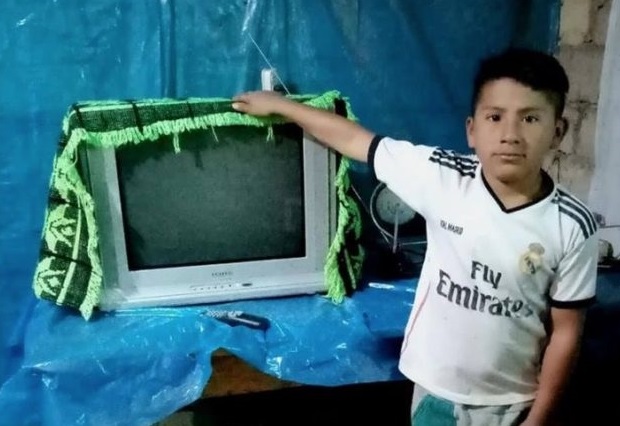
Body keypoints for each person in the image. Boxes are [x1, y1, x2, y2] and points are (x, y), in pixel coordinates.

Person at [232, 48, 598, 426]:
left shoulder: (572, 226)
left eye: (530, 118)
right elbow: (356, 140)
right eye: (495, 117)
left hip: (512, 405)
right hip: (434, 395)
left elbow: (566, 334)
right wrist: (281, 105)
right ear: (471, 130)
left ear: (558, 132)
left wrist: (537, 421)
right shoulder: (442, 177)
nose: (510, 135)